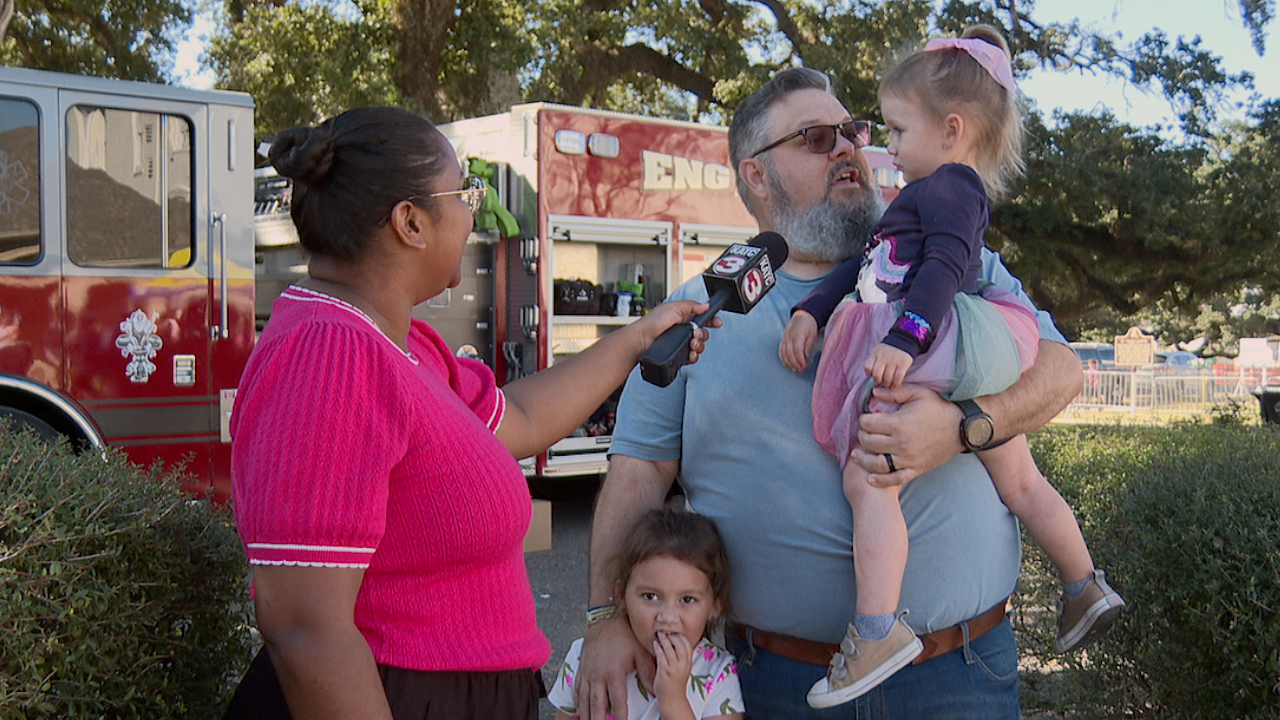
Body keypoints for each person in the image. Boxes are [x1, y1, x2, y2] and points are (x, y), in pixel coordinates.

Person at [572, 66, 1085, 720]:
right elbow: (639, 469)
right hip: (778, 682)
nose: (848, 148)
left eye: (854, 130)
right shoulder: (694, 312)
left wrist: (962, 428)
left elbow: (1062, 372)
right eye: (816, 138)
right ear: (756, 176)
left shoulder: (956, 262)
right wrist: (605, 618)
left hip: (958, 673)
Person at [221, 106, 719, 720]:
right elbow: (304, 628)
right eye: (466, 193)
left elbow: (523, 420)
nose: (476, 211)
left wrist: (640, 337)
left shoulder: (403, 345)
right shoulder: (329, 355)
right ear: (410, 222)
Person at [778, 26, 1124, 707]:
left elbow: (941, 270)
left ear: (952, 130)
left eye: (898, 129)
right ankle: (1085, 584)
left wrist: (905, 341)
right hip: (961, 350)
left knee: (868, 477)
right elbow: (861, 268)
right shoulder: (923, 197)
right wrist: (812, 311)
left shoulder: (950, 191)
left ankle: (877, 629)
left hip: (941, 344)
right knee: (1020, 480)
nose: (887, 146)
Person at [547, 508, 743, 720]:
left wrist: (673, 700)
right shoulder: (587, 657)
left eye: (687, 600)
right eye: (651, 596)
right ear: (622, 596)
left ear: (715, 606)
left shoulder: (719, 674)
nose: (668, 617)